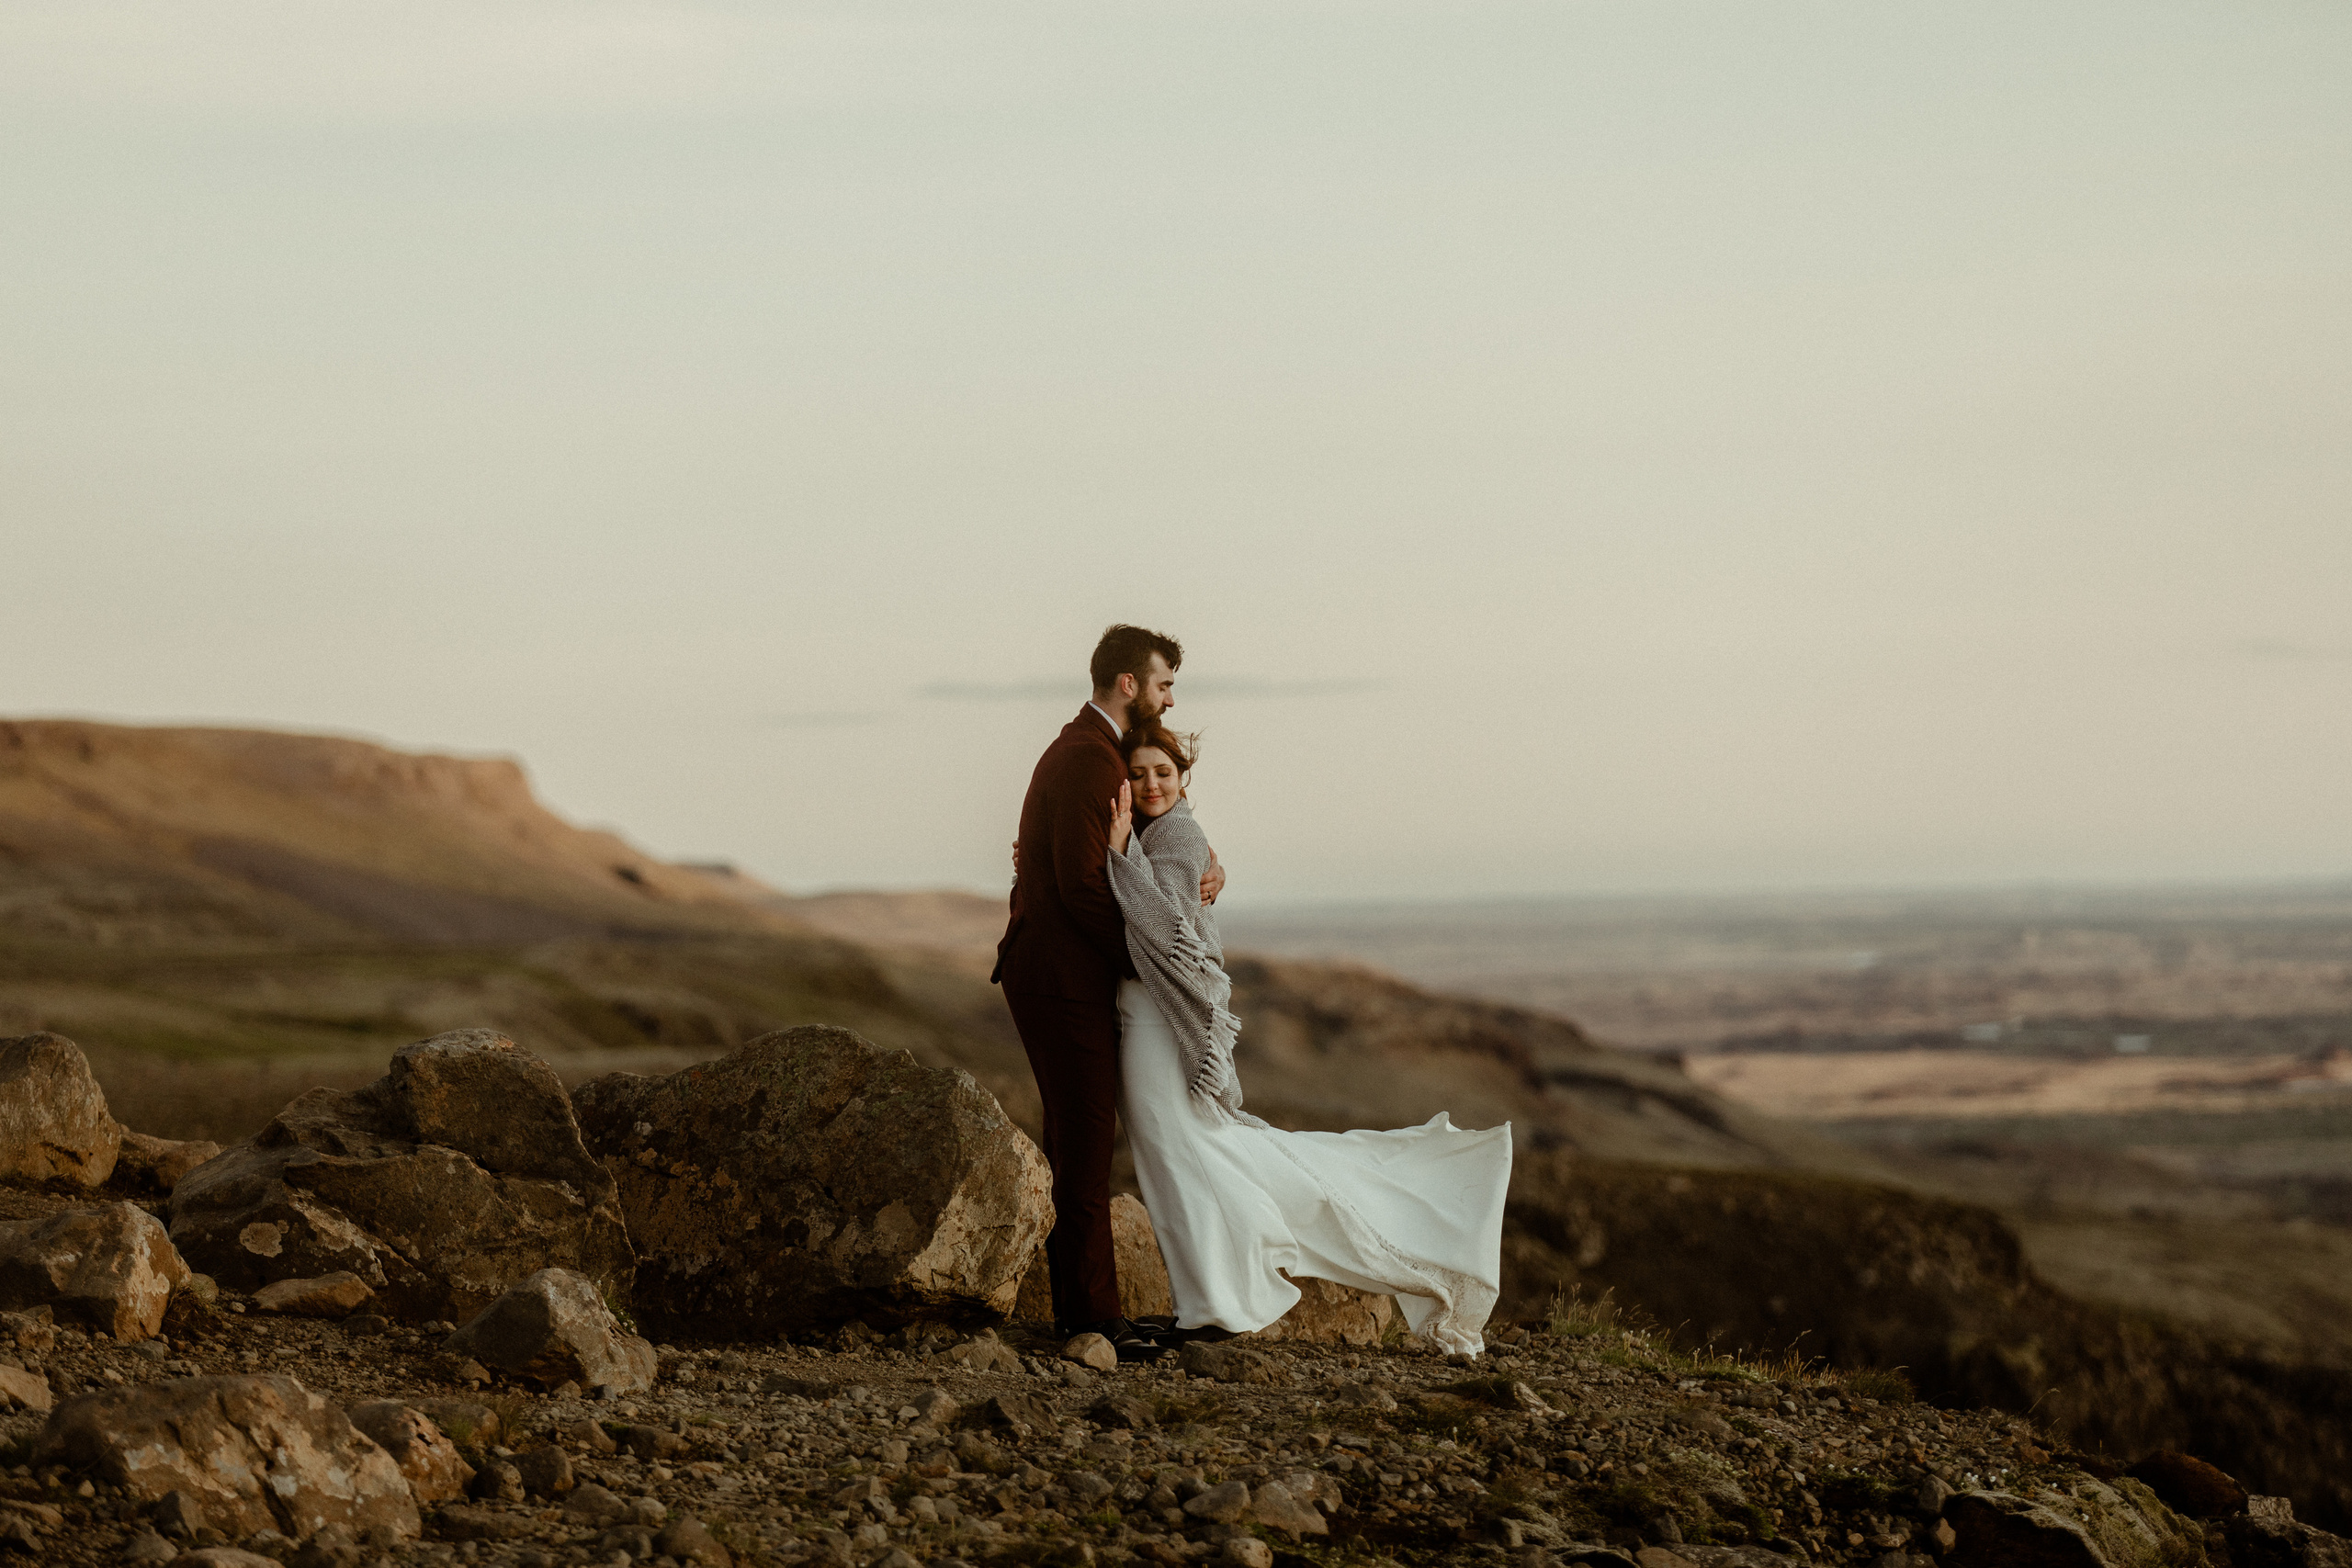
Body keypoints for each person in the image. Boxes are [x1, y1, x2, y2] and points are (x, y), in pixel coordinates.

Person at [1105, 721, 1511, 1355]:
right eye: (1138, 772)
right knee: (1182, 1156)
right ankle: (1207, 1303)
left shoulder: (1177, 833)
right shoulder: (1160, 833)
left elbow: (1162, 928)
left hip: (1160, 1021)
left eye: (1163, 771)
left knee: (1187, 1153)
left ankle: (1221, 1300)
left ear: (1183, 777)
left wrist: (1117, 855)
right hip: (1149, 1015)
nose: (1151, 783)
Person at [992, 625, 1224, 1355]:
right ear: (1128, 683)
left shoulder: (1087, 751)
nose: (1167, 696)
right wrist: (1151, 957)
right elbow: (1083, 886)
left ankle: (1084, 1311)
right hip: (1061, 981)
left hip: (1053, 976)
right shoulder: (1091, 760)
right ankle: (1094, 1321)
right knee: (1087, 1146)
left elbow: (1119, 853)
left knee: (1076, 1141)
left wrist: (1204, 857)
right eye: (1161, 683)